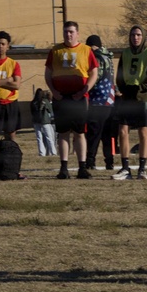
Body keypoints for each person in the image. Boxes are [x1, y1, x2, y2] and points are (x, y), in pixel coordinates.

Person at [45, 21, 99, 180]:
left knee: (80, 133)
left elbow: (94, 73)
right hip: (61, 97)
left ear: (77, 33)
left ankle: (82, 168)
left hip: (79, 98)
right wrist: (54, 92)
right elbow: (48, 73)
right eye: (66, 32)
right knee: (63, 133)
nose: (68, 35)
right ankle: (63, 168)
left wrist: (85, 90)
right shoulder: (55, 51)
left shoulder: (86, 50)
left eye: (71, 32)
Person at [113, 25, 147, 181]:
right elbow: (119, 74)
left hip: (143, 97)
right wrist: (123, 89)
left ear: (143, 36)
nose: (136, 38)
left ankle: (142, 168)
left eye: (138, 35)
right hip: (127, 96)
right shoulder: (125, 53)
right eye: (133, 35)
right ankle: (125, 168)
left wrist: (141, 90)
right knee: (122, 130)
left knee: (143, 131)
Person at [84, 35, 116, 171]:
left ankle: (90, 161)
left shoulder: (96, 57)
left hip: (97, 100)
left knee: (93, 134)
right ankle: (110, 161)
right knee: (107, 135)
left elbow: (95, 77)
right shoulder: (108, 57)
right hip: (110, 100)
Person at [30, 89, 56, 157]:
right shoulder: (45, 101)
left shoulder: (33, 102)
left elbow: (32, 112)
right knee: (49, 137)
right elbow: (50, 110)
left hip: (36, 121)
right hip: (45, 121)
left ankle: (42, 153)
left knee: (39, 138)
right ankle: (53, 152)